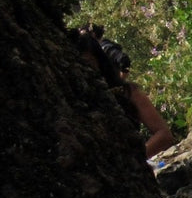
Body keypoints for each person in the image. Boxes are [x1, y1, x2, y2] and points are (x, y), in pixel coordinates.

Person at [70, 27, 175, 160]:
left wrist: (134, 160)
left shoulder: (128, 92)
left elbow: (164, 134)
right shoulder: (73, 102)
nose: (84, 70)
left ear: (99, 61)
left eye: (88, 63)